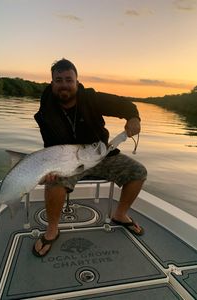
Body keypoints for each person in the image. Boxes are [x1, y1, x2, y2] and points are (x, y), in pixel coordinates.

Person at [33, 58, 147, 257]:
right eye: (58, 80)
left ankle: (119, 214)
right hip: (68, 161)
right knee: (54, 182)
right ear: (52, 83)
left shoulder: (91, 98)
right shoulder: (45, 112)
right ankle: (52, 229)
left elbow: (124, 104)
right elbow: (50, 147)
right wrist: (49, 170)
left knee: (138, 172)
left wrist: (134, 117)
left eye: (69, 79)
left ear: (77, 81)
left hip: (101, 155)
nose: (64, 85)